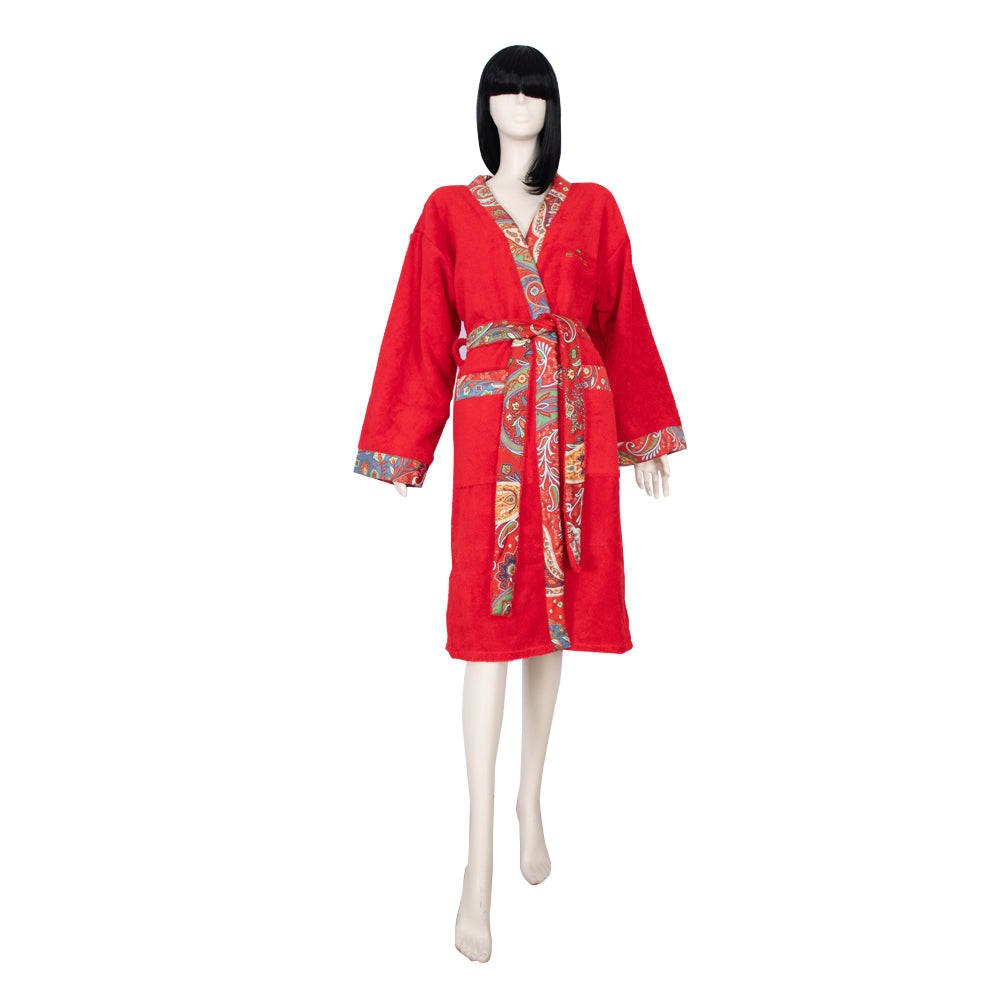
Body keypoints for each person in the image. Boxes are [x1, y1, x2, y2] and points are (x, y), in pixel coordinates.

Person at [353, 44, 687, 961]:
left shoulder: (596, 208)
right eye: (503, 87)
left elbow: (622, 319)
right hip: (493, 429)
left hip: (576, 422)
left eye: (533, 87)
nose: (519, 100)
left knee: (556, 616)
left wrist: (645, 436)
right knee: (488, 628)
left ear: (552, 104)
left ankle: (531, 796)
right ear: (484, 105)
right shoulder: (447, 212)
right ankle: (478, 865)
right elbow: (422, 329)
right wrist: (403, 448)